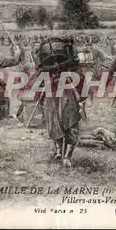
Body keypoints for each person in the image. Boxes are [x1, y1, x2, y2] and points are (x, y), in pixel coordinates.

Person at [37, 37, 87, 168]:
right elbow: (81, 81)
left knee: (57, 124)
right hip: (64, 94)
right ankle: (65, 156)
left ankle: (61, 153)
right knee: (69, 125)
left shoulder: (48, 70)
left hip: (54, 95)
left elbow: (39, 82)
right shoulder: (72, 67)